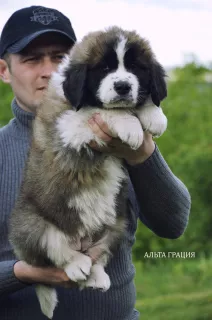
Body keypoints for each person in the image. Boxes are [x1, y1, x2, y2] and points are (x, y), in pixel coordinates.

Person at [0, 5, 191, 320]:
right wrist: (24, 273)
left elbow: (174, 225)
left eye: (60, 57)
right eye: (32, 59)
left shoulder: (122, 132)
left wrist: (143, 155)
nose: (48, 71)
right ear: (4, 70)